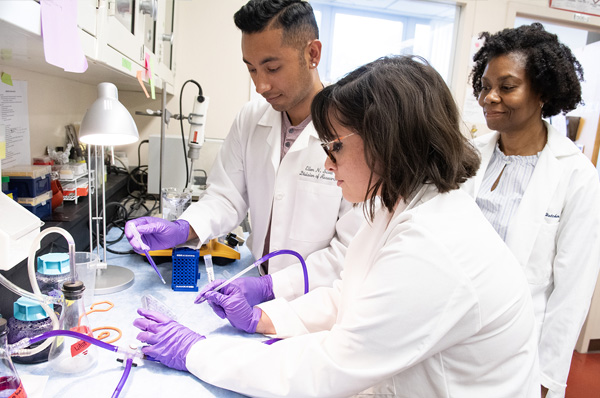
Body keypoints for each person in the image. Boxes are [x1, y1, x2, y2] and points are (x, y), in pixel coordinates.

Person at [134, 55, 540, 397]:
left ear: (387, 140)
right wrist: (265, 319)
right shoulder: (398, 206)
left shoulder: (433, 244)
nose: (327, 163)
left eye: (335, 147)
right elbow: (350, 297)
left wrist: (197, 352)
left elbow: (332, 364)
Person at [125, 0, 362, 303]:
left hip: (317, 299)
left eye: (272, 67)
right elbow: (226, 197)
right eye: (251, 69)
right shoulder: (251, 118)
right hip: (256, 280)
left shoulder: (353, 133)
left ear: (312, 54)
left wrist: (273, 287)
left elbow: (348, 250)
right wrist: (182, 228)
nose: (261, 85)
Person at [465, 23, 600, 398]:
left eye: (506, 87)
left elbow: (571, 294)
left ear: (541, 91)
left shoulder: (576, 177)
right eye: (485, 86)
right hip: (453, 336)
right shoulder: (470, 155)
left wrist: (546, 380)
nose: (490, 97)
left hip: (517, 353)